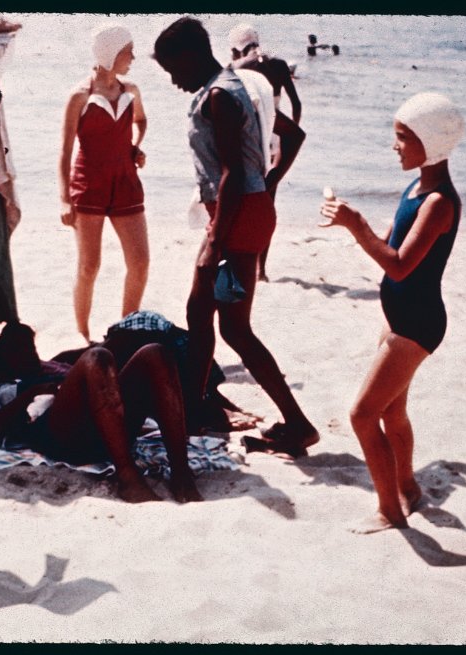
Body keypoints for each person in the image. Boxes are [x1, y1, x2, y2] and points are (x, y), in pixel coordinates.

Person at [152, 17, 318, 456]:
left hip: (238, 219)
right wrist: (268, 183)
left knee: (235, 329)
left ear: (191, 57)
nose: (173, 81)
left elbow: (230, 176)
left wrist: (213, 243)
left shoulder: (220, 96)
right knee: (200, 311)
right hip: (241, 213)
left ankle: (297, 424)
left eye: (173, 71)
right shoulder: (227, 87)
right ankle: (194, 409)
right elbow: (277, 146)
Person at [318, 92, 465, 533]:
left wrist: (355, 224)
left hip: (417, 324)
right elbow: (389, 248)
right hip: (400, 319)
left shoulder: (439, 201)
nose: (394, 145)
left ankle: (389, 510)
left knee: (362, 414)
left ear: (431, 141)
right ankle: (408, 489)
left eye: (403, 137)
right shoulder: (416, 187)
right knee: (391, 413)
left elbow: (400, 263)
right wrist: (355, 226)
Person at [0, 323, 203, 504]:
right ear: (5, 358)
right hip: (64, 433)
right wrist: (29, 395)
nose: (31, 354)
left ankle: (181, 472)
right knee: (96, 358)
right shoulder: (0, 392)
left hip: (112, 423)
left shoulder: (55, 366)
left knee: (155, 353)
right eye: (21, 349)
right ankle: (128, 476)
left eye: (32, 347)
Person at [60, 24, 150, 343]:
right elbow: (66, 150)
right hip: (88, 186)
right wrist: (64, 198)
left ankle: (127, 327)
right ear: (110, 53)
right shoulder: (80, 96)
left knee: (140, 261)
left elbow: (140, 121)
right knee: (89, 266)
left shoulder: (131, 91)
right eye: (128, 51)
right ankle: (83, 334)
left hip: (126, 181)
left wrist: (136, 145)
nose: (133, 57)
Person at [227, 22, 305, 282]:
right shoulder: (279, 65)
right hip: (277, 138)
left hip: (252, 138)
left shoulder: (240, 67)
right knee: (268, 203)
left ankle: (241, 260)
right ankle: (261, 270)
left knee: (241, 200)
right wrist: (290, 133)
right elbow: (296, 104)